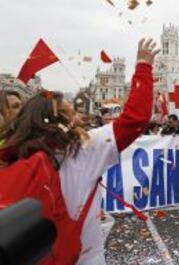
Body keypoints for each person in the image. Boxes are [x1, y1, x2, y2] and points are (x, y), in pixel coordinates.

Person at [0, 38, 160, 264]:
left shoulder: (12, 155)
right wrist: (144, 66)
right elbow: (136, 119)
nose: (77, 116)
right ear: (61, 119)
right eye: (69, 112)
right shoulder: (84, 147)